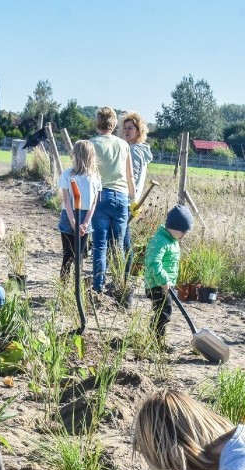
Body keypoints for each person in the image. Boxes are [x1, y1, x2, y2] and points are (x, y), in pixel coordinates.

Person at [89, 107, 135, 293]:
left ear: (97, 123)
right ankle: (118, 285)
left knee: (100, 245)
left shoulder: (91, 144)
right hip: (121, 197)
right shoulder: (123, 145)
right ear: (114, 124)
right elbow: (130, 176)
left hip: (100, 196)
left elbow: (88, 173)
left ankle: (98, 287)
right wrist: (134, 200)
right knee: (119, 246)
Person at [143, 206, 193, 341]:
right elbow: (153, 262)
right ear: (175, 228)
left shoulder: (172, 240)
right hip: (156, 284)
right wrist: (164, 281)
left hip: (165, 284)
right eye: (183, 232)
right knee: (163, 313)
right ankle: (156, 341)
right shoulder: (160, 241)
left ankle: (155, 339)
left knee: (163, 312)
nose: (184, 236)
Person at [57, 140, 101, 280]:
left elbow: (66, 200)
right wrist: (81, 223)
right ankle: (69, 288)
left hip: (72, 217)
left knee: (70, 255)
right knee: (75, 256)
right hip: (76, 218)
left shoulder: (93, 177)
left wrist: (81, 223)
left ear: (76, 155)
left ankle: (70, 288)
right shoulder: (70, 175)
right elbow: (93, 203)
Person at [121, 112, 153, 278]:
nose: (126, 131)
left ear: (139, 130)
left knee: (122, 238)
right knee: (123, 236)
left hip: (127, 199)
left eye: (130, 128)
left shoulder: (133, 151)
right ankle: (124, 273)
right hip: (134, 200)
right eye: (125, 128)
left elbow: (130, 177)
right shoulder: (141, 150)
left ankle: (125, 275)